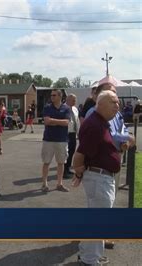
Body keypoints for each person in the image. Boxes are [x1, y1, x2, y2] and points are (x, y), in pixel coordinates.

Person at [71, 90, 121, 266]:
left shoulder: (101, 122)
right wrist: (78, 172)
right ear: (100, 104)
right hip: (99, 178)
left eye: (117, 102)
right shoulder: (95, 125)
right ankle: (90, 260)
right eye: (113, 102)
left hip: (101, 178)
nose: (117, 105)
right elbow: (80, 155)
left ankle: (87, 254)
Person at [41, 89, 70, 193]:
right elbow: (46, 122)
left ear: (59, 96)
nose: (51, 97)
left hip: (62, 140)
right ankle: (44, 184)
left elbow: (66, 122)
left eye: (54, 95)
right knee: (46, 162)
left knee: (61, 162)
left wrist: (53, 121)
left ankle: (59, 184)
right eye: (51, 95)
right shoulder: (47, 107)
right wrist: (59, 122)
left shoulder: (66, 108)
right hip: (48, 139)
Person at [64, 94, 80, 179]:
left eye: (75, 100)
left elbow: (77, 122)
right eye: (73, 100)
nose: (75, 102)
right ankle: (64, 171)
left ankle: (68, 169)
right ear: (68, 100)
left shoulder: (75, 109)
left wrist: (78, 133)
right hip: (65, 133)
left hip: (73, 133)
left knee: (71, 152)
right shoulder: (63, 108)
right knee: (65, 153)